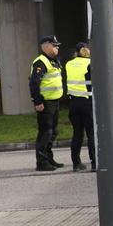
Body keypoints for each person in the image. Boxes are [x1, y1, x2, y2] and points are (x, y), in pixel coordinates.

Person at [29, 35, 66, 172]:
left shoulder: (54, 61)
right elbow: (34, 83)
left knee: (53, 131)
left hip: (54, 101)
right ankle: (42, 162)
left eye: (57, 45)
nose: (57, 47)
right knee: (46, 132)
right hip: (45, 102)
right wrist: (37, 101)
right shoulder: (41, 62)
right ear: (46, 46)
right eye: (54, 45)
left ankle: (49, 158)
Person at [64, 41, 96, 172]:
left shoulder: (69, 64)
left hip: (73, 103)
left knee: (77, 134)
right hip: (87, 101)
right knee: (91, 133)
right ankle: (94, 162)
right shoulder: (90, 63)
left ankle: (76, 163)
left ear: (76, 52)